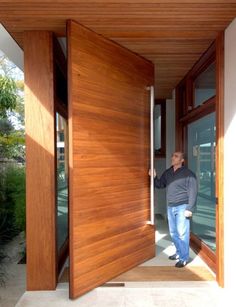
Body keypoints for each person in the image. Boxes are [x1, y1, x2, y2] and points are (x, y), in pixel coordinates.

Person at [152, 151, 198, 268]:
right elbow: (160, 184)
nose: (172, 157)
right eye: (172, 156)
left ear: (182, 160)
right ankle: (178, 253)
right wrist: (154, 176)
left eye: (176, 156)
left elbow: (193, 192)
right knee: (173, 232)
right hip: (170, 206)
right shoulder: (168, 172)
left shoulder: (188, 174)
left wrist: (190, 208)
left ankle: (184, 258)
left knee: (182, 233)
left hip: (183, 207)